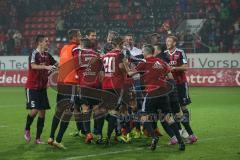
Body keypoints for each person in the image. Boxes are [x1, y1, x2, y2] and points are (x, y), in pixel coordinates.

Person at [124, 44, 185, 151]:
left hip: (151, 93)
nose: (142, 53)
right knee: (168, 117)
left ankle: (153, 137)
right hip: (164, 94)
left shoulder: (144, 62)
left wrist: (125, 64)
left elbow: (130, 74)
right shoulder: (162, 62)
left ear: (146, 52)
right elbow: (170, 77)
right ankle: (180, 142)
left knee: (143, 117)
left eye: (143, 51)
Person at [48, 29, 81, 149]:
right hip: (70, 84)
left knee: (59, 111)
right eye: (79, 36)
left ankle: (51, 137)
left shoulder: (63, 48)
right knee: (68, 113)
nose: (80, 38)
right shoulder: (76, 49)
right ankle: (58, 140)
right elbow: (79, 65)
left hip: (61, 84)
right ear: (74, 37)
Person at [24, 35, 57, 144]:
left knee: (42, 113)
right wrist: (46, 67)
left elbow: (56, 64)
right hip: (32, 87)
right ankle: (27, 129)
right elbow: (33, 66)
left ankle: (37, 138)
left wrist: (58, 68)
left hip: (42, 88)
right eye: (46, 41)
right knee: (35, 110)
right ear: (40, 43)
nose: (48, 42)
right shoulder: (34, 53)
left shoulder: (47, 55)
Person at [164, 35, 198, 144]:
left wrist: (174, 68)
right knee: (173, 108)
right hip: (169, 85)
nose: (167, 43)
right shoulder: (164, 54)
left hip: (181, 83)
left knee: (183, 107)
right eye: (167, 41)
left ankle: (188, 129)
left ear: (174, 43)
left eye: (169, 41)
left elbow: (185, 67)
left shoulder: (180, 52)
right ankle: (181, 130)